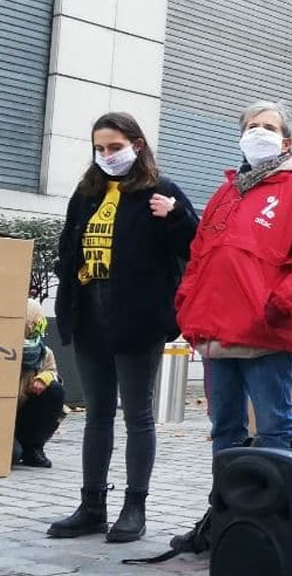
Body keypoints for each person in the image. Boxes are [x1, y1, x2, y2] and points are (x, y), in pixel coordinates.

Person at [49, 112, 198, 543]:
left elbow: (197, 245)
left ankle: (135, 507)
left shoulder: (161, 191)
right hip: (90, 313)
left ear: (137, 144)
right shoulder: (87, 192)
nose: (107, 156)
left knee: (137, 414)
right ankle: (92, 505)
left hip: (138, 319)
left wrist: (175, 216)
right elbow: (67, 244)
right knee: (97, 413)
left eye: (114, 147)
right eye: (100, 148)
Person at [177, 101, 292, 454]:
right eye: (251, 127)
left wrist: (278, 304)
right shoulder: (225, 194)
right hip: (215, 334)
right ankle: (226, 507)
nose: (258, 132)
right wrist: (186, 304)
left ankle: (280, 509)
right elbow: (198, 258)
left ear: (287, 143)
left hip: (266, 333)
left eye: (268, 127)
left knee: (275, 427)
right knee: (224, 429)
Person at [13, 299, 63, 468]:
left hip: (25, 415)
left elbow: (54, 373)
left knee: (55, 390)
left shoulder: (43, 352)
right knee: (12, 455)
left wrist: (45, 378)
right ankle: (17, 448)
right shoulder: (5, 350)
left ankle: (33, 447)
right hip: (2, 418)